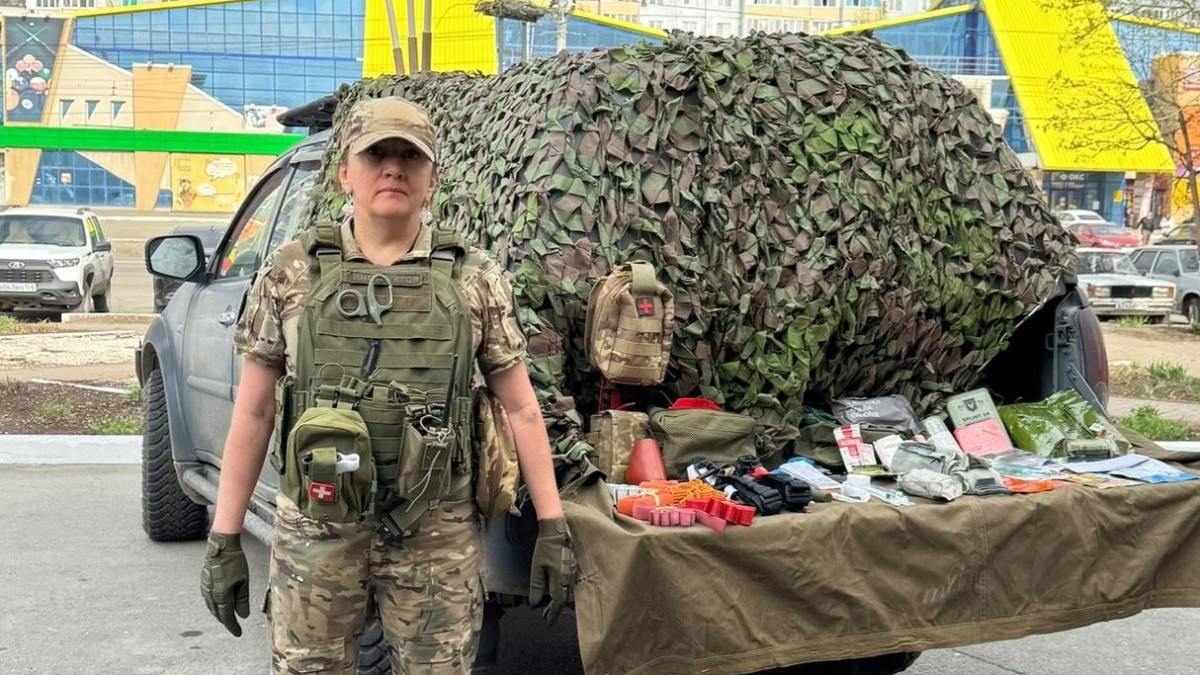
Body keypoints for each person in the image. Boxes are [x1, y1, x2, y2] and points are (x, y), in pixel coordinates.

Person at [199, 96, 576, 674]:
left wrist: (551, 523)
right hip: (317, 530)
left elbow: (522, 409)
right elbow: (253, 413)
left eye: (410, 156)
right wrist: (224, 536)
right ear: (345, 173)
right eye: (376, 155)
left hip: (437, 536)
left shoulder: (474, 278)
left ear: (433, 179)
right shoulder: (292, 271)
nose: (393, 169)